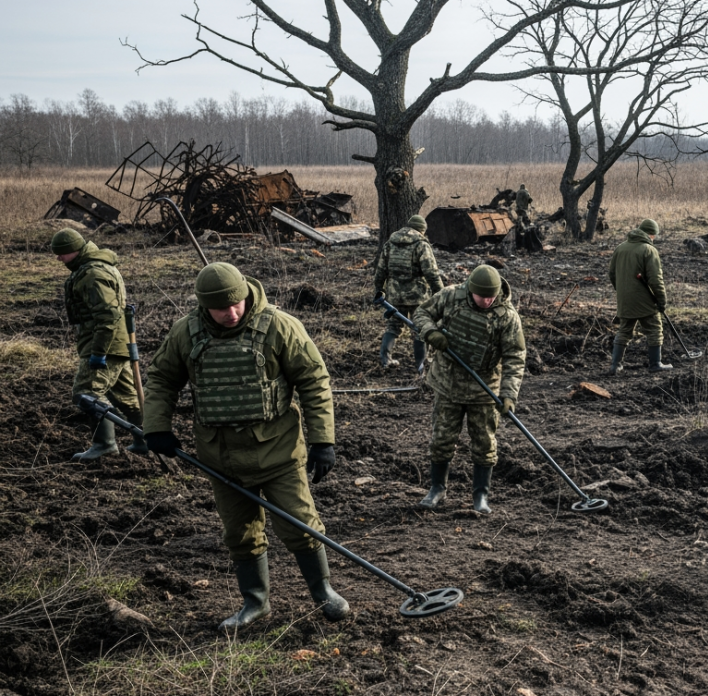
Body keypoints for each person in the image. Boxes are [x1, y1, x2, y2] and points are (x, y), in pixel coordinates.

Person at [143, 262, 349, 632]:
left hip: (279, 453)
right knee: (240, 533)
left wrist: (323, 440)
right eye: (220, 308)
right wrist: (157, 427)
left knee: (301, 526)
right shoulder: (185, 334)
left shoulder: (279, 326)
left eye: (236, 304)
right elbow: (160, 379)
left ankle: (323, 592)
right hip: (220, 458)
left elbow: (314, 380)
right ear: (203, 306)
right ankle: (255, 602)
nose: (230, 313)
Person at [413, 265, 526, 514]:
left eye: (492, 297)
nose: (487, 301)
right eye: (482, 296)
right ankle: (436, 489)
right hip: (447, 382)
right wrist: (430, 331)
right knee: (442, 439)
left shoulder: (507, 316)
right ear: (470, 290)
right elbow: (421, 313)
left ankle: (480, 495)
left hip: (484, 390)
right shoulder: (451, 296)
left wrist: (509, 394)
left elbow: (515, 357)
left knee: (484, 443)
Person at [52, 228, 148, 461]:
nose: (58, 259)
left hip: (104, 344)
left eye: (61, 254)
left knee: (86, 393)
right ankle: (147, 439)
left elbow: (107, 315)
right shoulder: (99, 266)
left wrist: (98, 353)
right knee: (125, 396)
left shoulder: (91, 274)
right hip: (117, 343)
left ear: (73, 251)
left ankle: (104, 444)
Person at [374, 214, 443, 371]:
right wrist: (440, 293)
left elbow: (380, 270)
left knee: (393, 326)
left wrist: (379, 290)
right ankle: (420, 365)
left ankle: (386, 360)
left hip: (394, 295)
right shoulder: (421, 245)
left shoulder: (390, 243)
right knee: (420, 329)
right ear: (421, 230)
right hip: (417, 295)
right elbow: (431, 272)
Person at [608, 219, 672, 374]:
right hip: (645, 300)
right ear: (652, 234)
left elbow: (611, 273)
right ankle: (655, 364)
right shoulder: (649, 250)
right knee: (655, 328)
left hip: (624, 299)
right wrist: (662, 300)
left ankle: (615, 365)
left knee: (624, 330)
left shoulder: (620, 248)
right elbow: (656, 279)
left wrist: (622, 290)